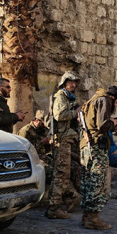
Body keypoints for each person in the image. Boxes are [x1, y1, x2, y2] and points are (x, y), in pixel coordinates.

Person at [79, 84, 117, 230]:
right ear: (114, 98)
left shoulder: (93, 99)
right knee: (97, 182)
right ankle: (93, 218)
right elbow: (103, 124)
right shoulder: (104, 100)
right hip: (96, 147)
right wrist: (113, 123)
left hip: (87, 146)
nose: (115, 106)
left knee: (88, 182)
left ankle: (86, 215)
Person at [46, 72, 82, 220]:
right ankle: (54, 208)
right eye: (70, 82)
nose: (73, 85)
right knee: (60, 174)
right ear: (64, 83)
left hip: (69, 139)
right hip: (62, 140)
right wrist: (75, 113)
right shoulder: (60, 96)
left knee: (65, 174)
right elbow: (59, 115)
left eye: (74, 82)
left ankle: (64, 202)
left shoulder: (70, 97)